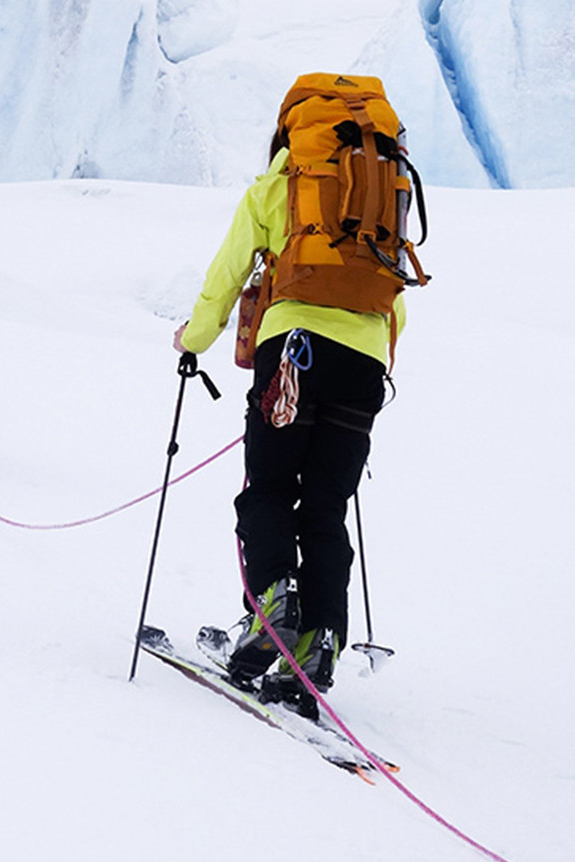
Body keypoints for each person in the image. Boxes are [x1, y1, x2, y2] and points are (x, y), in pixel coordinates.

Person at [174, 73, 422, 701]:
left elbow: (229, 270)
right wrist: (373, 360)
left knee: (270, 488)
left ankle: (272, 606)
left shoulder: (282, 182)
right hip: (364, 363)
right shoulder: (382, 189)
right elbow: (393, 295)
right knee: (325, 506)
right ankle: (319, 639)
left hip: (291, 352)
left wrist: (194, 339)